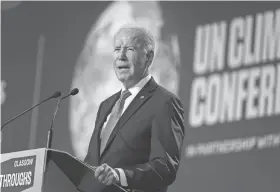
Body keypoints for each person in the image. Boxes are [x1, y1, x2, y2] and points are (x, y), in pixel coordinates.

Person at [78, 26, 185, 192]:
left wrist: (121, 175)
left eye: (129, 49)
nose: (121, 56)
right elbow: (92, 163)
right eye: (117, 49)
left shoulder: (164, 102)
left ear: (148, 57)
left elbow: (165, 167)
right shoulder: (105, 106)